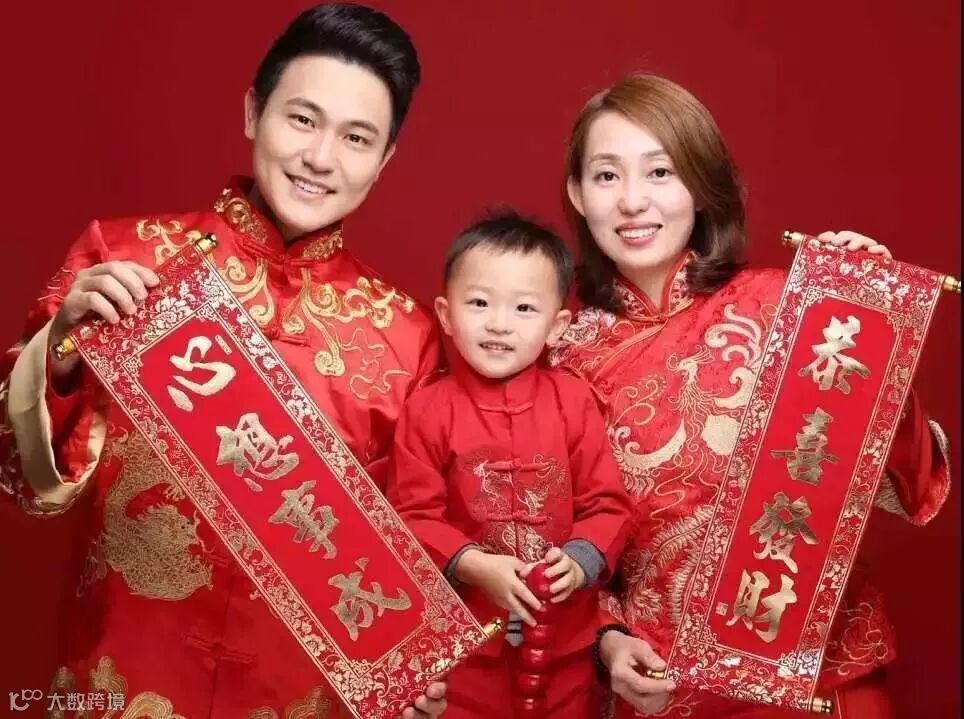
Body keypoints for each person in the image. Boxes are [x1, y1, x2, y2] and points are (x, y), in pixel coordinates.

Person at [0, 4, 452, 718]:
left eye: (356, 137)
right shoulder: (125, 260)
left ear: (385, 159)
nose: (321, 157)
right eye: (302, 119)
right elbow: (23, 482)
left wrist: (410, 675)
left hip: (300, 699)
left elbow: (409, 549)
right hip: (118, 679)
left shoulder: (408, 337)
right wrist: (61, 348)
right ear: (252, 112)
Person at [549, 73, 950, 718]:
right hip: (668, 690)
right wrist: (608, 642)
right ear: (577, 193)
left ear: (700, 186)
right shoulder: (562, 361)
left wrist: (874, 328)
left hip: (822, 684)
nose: (632, 201)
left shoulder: (792, 307)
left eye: (660, 172)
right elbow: (557, 544)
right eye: (606, 175)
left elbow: (910, 483)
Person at [387, 211, 634, 718]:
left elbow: (608, 505)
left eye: (524, 308)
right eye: (479, 303)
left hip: (565, 643)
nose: (499, 323)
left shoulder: (573, 402)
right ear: (446, 314)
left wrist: (579, 562)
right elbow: (411, 516)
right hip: (467, 647)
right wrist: (475, 565)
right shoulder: (427, 409)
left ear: (556, 326)